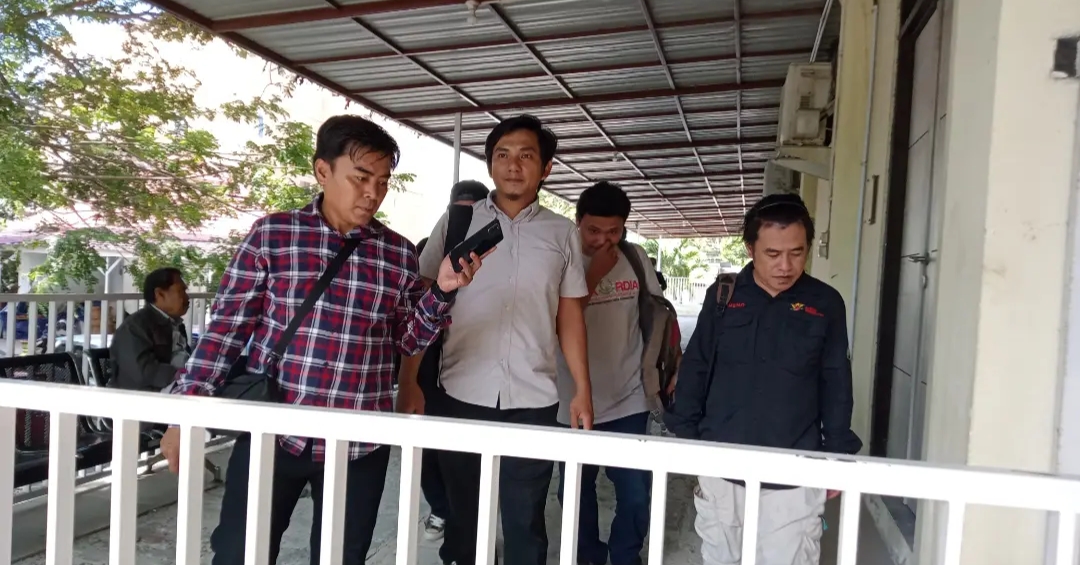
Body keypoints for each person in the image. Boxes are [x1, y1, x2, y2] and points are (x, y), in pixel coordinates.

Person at [158, 115, 489, 565]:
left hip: (360, 442)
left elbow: (409, 339)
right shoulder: (273, 235)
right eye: (361, 177)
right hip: (273, 430)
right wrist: (185, 412)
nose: (373, 192)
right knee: (239, 553)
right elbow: (225, 332)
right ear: (322, 171)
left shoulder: (396, 253)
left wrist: (443, 291)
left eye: (382, 181)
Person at [407, 114, 593, 565]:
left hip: (534, 399)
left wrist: (583, 389)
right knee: (463, 518)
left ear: (546, 168)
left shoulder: (562, 233)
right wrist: (409, 380)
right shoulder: (457, 222)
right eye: (503, 155)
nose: (513, 165)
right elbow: (422, 302)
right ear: (490, 163)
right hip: (459, 392)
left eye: (526, 156)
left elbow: (570, 315)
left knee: (525, 519)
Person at [665, 193, 862, 565]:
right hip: (722, 460)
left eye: (797, 253)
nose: (786, 266)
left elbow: (836, 381)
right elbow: (697, 366)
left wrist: (836, 454)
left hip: (794, 468)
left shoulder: (825, 303)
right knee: (721, 557)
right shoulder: (724, 296)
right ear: (750, 248)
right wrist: (688, 437)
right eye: (773, 254)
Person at [555, 181, 661, 565]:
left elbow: (656, 312)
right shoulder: (561, 259)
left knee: (635, 491)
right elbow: (554, 321)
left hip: (629, 397)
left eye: (613, 231)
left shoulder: (635, 257)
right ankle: (588, 556)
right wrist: (595, 274)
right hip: (571, 400)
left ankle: (626, 556)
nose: (603, 240)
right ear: (578, 222)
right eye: (594, 230)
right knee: (574, 491)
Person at [403, 179, 491, 543]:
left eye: (473, 213)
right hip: (427, 362)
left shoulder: (498, 252)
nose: (464, 220)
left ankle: (468, 531)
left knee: (464, 456)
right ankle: (440, 508)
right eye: (459, 212)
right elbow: (415, 308)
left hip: (472, 365)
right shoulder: (429, 250)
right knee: (426, 447)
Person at [108, 267, 191, 393]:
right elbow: (143, 371)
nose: (187, 297)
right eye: (181, 291)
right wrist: (183, 375)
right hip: (143, 396)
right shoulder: (134, 327)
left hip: (175, 388)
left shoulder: (175, 324)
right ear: (159, 294)